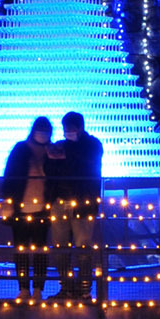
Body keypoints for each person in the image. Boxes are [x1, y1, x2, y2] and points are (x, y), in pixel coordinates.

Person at [45, 111, 104, 300]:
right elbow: (50, 171)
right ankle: (66, 287)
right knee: (61, 248)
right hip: (60, 202)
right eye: (65, 129)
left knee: (83, 248)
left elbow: (87, 166)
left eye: (70, 129)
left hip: (83, 204)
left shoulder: (93, 145)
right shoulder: (61, 147)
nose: (67, 132)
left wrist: (64, 155)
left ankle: (84, 289)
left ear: (80, 127)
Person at [2, 118, 53, 300]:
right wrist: (9, 202)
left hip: (43, 209)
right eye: (40, 130)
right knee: (22, 251)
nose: (43, 134)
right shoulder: (21, 149)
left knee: (40, 251)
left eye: (45, 131)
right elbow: (9, 176)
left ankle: (38, 288)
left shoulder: (52, 151)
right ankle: (23, 288)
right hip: (20, 208)